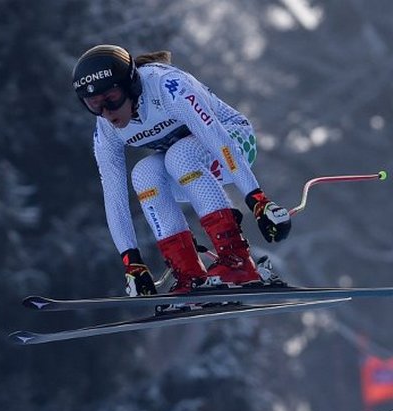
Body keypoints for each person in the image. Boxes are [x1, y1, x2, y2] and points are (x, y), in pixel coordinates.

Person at [71, 44, 292, 295]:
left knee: (179, 155)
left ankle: (238, 260)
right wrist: (131, 263)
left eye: (111, 99)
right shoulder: (106, 129)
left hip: (234, 144)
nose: (106, 113)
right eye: (93, 104)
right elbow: (114, 197)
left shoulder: (167, 86)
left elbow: (217, 139)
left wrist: (257, 200)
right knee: (143, 174)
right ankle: (190, 275)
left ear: (131, 85)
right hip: (188, 172)